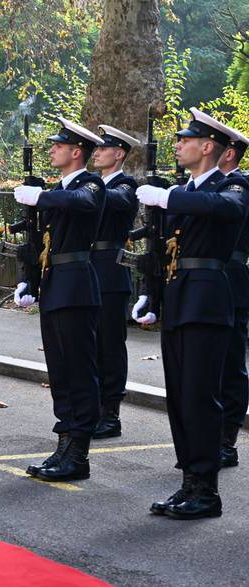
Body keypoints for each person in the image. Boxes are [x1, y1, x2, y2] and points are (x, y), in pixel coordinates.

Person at [135, 109, 249, 518]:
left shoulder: (231, 184)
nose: (177, 144)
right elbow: (163, 252)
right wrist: (152, 296)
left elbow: (228, 210)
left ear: (208, 147)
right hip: (179, 298)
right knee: (181, 398)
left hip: (208, 299)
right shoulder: (186, 188)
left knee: (201, 397)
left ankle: (207, 491)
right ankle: (188, 483)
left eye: (185, 140)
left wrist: (169, 198)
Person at [13, 117, 106, 482]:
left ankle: (78, 452)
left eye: (58, 145)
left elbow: (82, 202)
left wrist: (43, 197)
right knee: (61, 371)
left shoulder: (90, 184)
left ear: (76, 151)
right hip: (54, 285)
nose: (51, 149)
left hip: (76, 286)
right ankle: (64, 442)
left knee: (80, 372)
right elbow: (40, 244)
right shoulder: (58, 188)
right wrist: (28, 281)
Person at [90, 125, 140, 439]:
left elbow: (114, 200)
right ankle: (93, 406)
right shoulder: (93, 184)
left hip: (110, 273)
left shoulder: (125, 185)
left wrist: (85, 188)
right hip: (87, 270)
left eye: (102, 148)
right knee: (89, 346)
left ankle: (111, 413)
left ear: (118, 153)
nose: (96, 152)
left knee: (109, 346)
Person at [217, 126, 249, 467]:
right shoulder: (204, 186)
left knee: (229, 366)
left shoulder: (240, 186)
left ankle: (227, 438)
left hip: (230, 280)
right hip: (200, 285)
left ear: (228, 152)